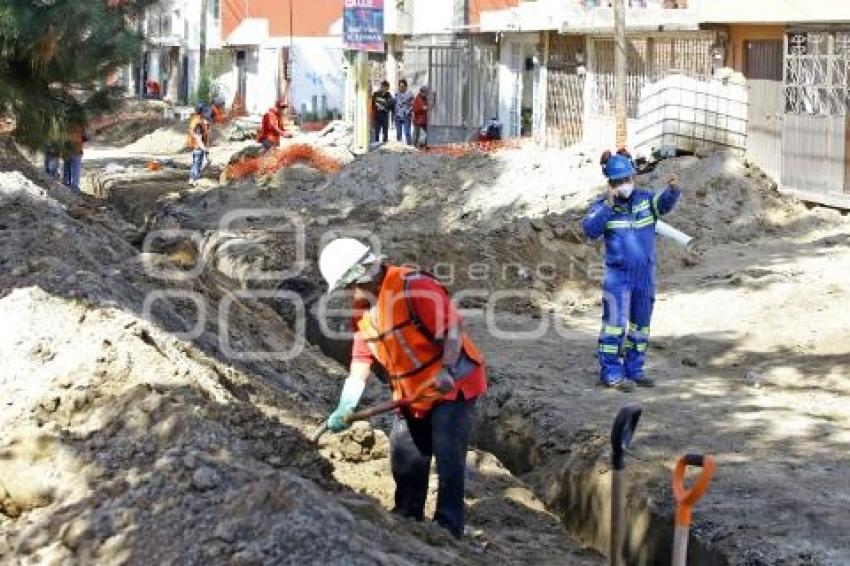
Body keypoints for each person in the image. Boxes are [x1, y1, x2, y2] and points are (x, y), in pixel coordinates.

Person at [318, 238, 487, 539]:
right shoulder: (361, 308)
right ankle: (408, 517)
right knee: (406, 451)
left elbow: (451, 330)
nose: (348, 291)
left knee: (448, 453)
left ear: (360, 275)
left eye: (348, 284)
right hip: (411, 393)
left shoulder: (414, 286)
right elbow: (361, 358)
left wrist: (447, 370)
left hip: (451, 384)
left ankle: (448, 528)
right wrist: (346, 404)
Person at [582, 149, 682, 391]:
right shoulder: (602, 208)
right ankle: (611, 373)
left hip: (644, 276)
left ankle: (634, 370)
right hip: (618, 277)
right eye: (618, 181)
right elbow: (589, 230)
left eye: (627, 179)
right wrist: (608, 204)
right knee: (614, 325)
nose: (624, 185)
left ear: (633, 178)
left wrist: (672, 190)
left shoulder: (646, 200)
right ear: (610, 184)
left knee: (640, 326)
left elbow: (665, 204)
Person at [62, 123, 88, 195]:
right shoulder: (80, 126)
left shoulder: (65, 125)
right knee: (75, 172)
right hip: (76, 152)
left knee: (67, 171)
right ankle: (74, 191)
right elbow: (86, 138)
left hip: (68, 152)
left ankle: (66, 189)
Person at [187, 103, 210, 186]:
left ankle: (191, 179)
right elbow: (198, 138)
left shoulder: (195, 120)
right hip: (198, 147)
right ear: (202, 112)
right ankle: (195, 180)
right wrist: (204, 148)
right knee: (197, 164)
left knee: (195, 163)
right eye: (204, 111)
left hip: (195, 146)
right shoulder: (198, 123)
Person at [393, 79, 414, 145]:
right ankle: (399, 146)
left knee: (407, 132)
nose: (401, 88)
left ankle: (409, 145)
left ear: (406, 86)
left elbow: (413, 105)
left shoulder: (410, 95)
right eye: (400, 86)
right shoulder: (396, 94)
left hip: (406, 116)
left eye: (402, 86)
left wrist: (408, 111)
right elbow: (395, 105)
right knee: (398, 133)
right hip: (398, 116)